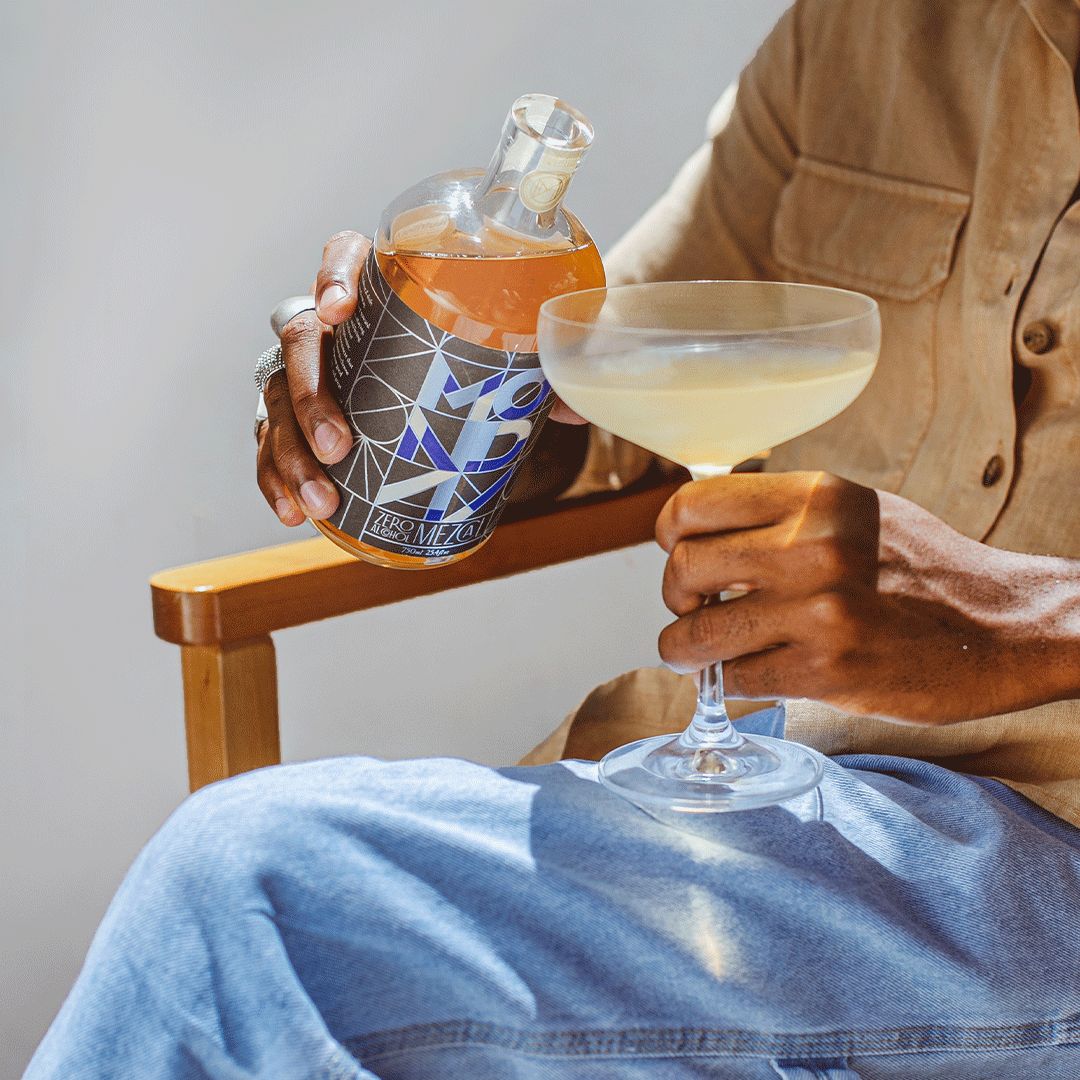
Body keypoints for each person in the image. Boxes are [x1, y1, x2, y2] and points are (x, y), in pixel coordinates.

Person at [27, 2, 1080, 1077]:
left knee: (249, 891)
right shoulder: (861, 33)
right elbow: (612, 374)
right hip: (756, 795)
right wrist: (427, 396)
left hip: (1044, 851)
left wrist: (1035, 623)